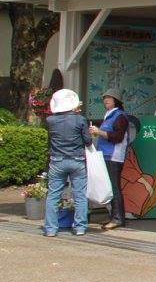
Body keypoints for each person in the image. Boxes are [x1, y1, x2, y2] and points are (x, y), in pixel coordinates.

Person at [43, 88, 92, 237]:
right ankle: (80, 228)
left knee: (53, 195)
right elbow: (88, 141)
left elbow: (50, 141)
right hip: (77, 160)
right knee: (80, 195)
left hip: (57, 160)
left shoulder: (50, 121)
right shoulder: (80, 119)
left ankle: (51, 229)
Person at [92, 88, 130, 229]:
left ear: (116, 101)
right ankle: (114, 216)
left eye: (109, 98)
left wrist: (99, 132)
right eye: (104, 98)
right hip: (106, 154)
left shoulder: (119, 116)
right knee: (110, 187)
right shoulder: (109, 115)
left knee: (114, 187)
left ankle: (118, 218)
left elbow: (117, 137)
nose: (106, 100)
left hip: (114, 156)